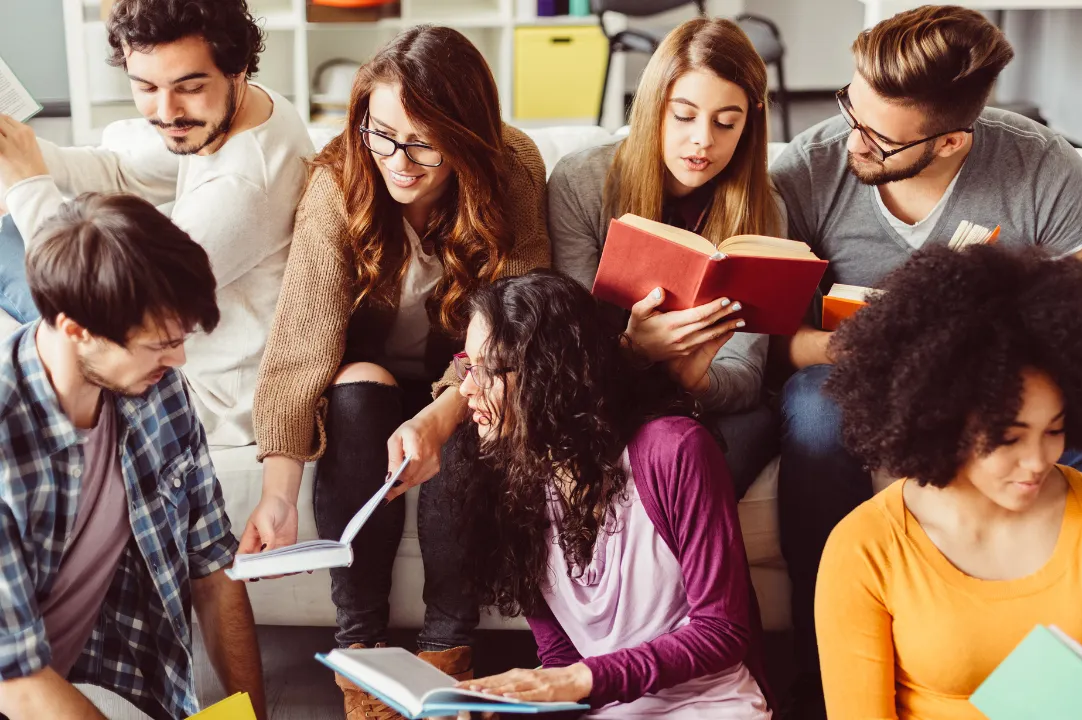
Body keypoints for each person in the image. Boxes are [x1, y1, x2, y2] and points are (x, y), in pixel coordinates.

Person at [767, 8, 1082, 712]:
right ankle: (827, 674)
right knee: (814, 411)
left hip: (999, 377)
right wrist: (857, 342)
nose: (854, 138)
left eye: (880, 135)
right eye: (851, 106)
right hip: (854, 370)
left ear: (951, 141)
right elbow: (776, 338)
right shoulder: (809, 170)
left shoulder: (1038, 166)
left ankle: (1081, 681)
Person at [239, 25, 550, 719]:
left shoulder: (514, 168)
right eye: (381, 134)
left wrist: (440, 414)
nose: (399, 161)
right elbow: (301, 348)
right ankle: (361, 646)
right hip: (368, 377)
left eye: (423, 141)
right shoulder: (339, 182)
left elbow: (516, 327)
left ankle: (447, 647)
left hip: (471, 374)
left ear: (468, 136)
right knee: (354, 393)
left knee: (473, 414)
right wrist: (279, 491)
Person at [814, 243, 1082, 720]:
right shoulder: (865, 548)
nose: (1038, 461)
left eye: (1054, 430)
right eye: (1008, 439)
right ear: (942, 418)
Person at [440, 270, 769, 718]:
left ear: (552, 376)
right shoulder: (508, 477)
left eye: (492, 371)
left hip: (710, 705)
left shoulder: (674, 450)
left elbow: (721, 632)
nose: (467, 388)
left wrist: (574, 680)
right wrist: (527, 702)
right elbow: (560, 654)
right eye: (468, 364)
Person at [0, 0, 313, 448]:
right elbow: (122, 172)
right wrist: (18, 152)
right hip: (158, 328)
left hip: (202, 393)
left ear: (237, 70)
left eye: (188, 86)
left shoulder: (245, 186)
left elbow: (115, 301)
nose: (166, 112)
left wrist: (27, 183)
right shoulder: (245, 110)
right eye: (145, 86)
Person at [0, 194, 265, 720]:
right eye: (158, 344)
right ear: (76, 329)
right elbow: (16, 681)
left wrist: (250, 717)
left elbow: (213, 569)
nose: (179, 358)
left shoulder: (160, 393)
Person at [549, 17, 784, 496]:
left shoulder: (765, 209)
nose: (703, 140)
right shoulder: (582, 182)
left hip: (703, 406)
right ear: (653, 107)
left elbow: (748, 374)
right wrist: (634, 352)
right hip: (605, 396)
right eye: (683, 116)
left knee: (733, 437)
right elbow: (566, 346)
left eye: (726, 123)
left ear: (750, 122)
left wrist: (695, 380)